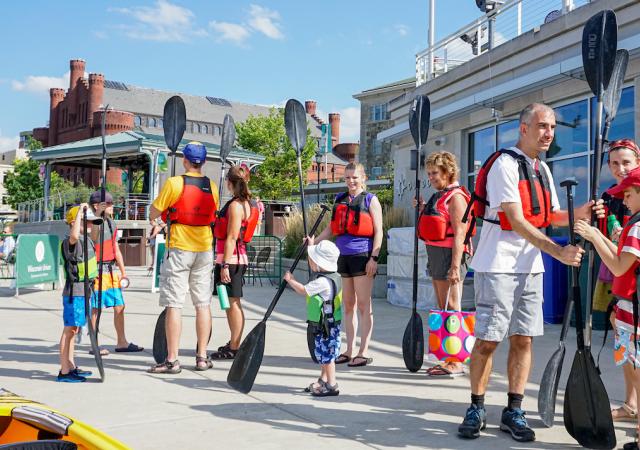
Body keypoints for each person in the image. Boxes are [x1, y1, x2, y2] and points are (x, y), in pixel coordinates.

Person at [458, 103, 603, 442]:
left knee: (523, 340)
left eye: (552, 126)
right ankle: (477, 406)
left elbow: (549, 214)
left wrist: (580, 212)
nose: (549, 132)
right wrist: (558, 251)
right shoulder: (504, 165)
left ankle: (514, 409)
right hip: (497, 266)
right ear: (523, 128)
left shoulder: (542, 169)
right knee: (489, 340)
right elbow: (517, 220)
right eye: (541, 126)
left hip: (530, 268)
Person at [574, 166, 640, 450]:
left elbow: (617, 266)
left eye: (628, 194)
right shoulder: (633, 222)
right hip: (626, 310)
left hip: (635, 313)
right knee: (633, 368)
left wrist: (592, 236)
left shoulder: (637, 226)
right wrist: (597, 235)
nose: (623, 200)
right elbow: (618, 258)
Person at [147, 141, 219, 373]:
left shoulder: (174, 183)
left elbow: (153, 211)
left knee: (174, 304)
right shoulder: (213, 186)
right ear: (204, 162)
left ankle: (172, 360)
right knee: (203, 304)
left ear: (185, 160)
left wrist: (160, 219)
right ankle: (201, 357)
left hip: (179, 248)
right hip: (205, 248)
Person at [311, 162, 383, 367]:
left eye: (355, 177)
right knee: (348, 305)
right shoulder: (340, 199)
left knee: (363, 305)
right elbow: (332, 229)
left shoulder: (371, 200)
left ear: (363, 178)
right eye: (347, 178)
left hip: (362, 256)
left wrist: (374, 258)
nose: (351, 181)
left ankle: (364, 350)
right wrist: (313, 241)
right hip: (342, 257)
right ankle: (349, 350)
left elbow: (378, 231)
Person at [592, 139, 640, 422]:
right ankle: (631, 402)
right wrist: (599, 221)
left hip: (629, 272)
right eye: (614, 163)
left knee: (631, 338)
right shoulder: (609, 197)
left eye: (626, 162)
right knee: (619, 326)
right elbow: (608, 237)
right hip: (616, 273)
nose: (620, 168)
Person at [415, 151, 472, 377]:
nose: (431, 178)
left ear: (448, 172)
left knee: (453, 306)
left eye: (435, 173)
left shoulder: (456, 197)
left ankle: (456, 362)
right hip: (436, 253)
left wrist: (455, 267)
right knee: (443, 307)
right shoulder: (441, 195)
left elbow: (460, 234)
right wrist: (421, 210)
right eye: (429, 174)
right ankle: (446, 358)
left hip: (450, 255)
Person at [210, 165, 259, 360]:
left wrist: (225, 266)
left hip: (232, 260)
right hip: (235, 259)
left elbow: (231, 237)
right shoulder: (248, 203)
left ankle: (235, 346)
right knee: (230, 303)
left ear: (229, 183)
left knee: (233, 303)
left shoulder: (235, 206)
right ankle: (233, 342)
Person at [284, 240, 342, 396]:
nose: (310, 261)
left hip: (325, 327)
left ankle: (331, 385)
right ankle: (323, 379)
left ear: (320, 263)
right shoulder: (334, 277)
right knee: (323, 354)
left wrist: (290, 280)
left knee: (327, 356)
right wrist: (310, 245)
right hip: (331, 324)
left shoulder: (322, 282)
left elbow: (303, 290)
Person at [89, 190, 142, 356]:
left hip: (111, 271)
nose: (112, 206)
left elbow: (116, 249)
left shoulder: (112, 223)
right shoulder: (91, 221)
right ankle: (94, 343)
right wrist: (97, 214)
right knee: (96, 308)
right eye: (109, 204)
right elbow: (95, 237)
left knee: (120, 306)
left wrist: (123, 272)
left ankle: (122, 342)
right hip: (96, 269)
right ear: (98, 205)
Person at [57, 205, 99, 382]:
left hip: (85, 290)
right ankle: (64, 371)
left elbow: (95, 234)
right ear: (74, 223)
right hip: (75, 292)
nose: (89, 225)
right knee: (69, 330)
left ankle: (71, 365)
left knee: (74, 330)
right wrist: (80, 212)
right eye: (85, 222)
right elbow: (74, 235)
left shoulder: (86, 239)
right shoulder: (69, 241)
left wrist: (97, 214)